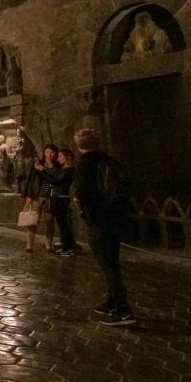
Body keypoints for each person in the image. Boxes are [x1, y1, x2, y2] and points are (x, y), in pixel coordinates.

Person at [73, 128, 136, 326]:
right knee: (112, 260)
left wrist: (81, 203)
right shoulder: (110, 161)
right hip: (115, 217)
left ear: (78, 144)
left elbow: (82, 194)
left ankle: (123, 310)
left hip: (99, 219)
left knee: (108, 265)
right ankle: (111, 301)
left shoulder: (85, 165)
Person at [23, 144, 59, 252]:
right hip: (37, 196)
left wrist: (43, 169)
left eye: (52, 152)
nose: (49, 155)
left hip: (50, 197)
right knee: (33, 221)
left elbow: (55, 178)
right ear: (44, 152)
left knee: (49, 221)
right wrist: (29, 195)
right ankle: (29, 245)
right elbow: (31, 180)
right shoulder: (38, 163)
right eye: (47, 152)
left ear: (56, 153)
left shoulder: (57, 166)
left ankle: (49, 245)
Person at [45, 148, 76, 256]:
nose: (58, 159)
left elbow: (56, 181)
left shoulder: (68, 171)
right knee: (61, 224)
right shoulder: (63, 169)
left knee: (63, 224)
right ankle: (66, 245)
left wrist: (43, 171)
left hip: (61, 198)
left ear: (68, 158)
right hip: (57, 197)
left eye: (60, 156)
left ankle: (68, 248)